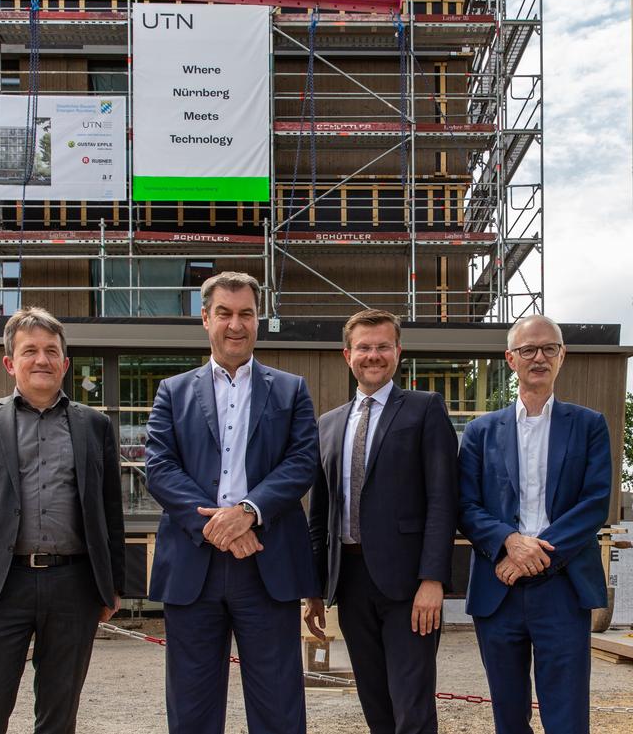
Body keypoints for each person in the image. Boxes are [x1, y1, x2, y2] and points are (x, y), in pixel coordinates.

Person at [145, 271, 319, 734]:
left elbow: (302, 462)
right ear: (205, 318)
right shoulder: (173, 391)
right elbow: (159, 468)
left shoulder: (291, 389)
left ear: (259, 320)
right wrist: (217, 527)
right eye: (225, 313)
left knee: (279, 704)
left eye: (246, 314)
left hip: (267, 563)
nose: (236, 324)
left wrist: (247, 514)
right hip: (193, 565)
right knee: (192, 705)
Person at [0, 307, 126, 734]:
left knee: (58, 716)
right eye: (30, 351)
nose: (42, 359)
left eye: (51, 351)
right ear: (10, 362)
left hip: (74, 585)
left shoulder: (95, 426)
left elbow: (110, 511)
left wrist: (113, 585)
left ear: (65, 362)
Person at [305, 308, 458, 734]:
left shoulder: (425, 409)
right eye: (364, 347)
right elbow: (320, 513)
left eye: (383, 347)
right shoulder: (329, 424)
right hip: (350, 581)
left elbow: (444, 499)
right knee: (375, 700)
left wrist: (433, 580)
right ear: (347, 354)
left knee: (412, 705)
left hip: (409, 584)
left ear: (398, 352)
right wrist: (315, 588)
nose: (374, 355)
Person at [458, 315, 611, 734]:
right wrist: (509, 542)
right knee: (508, 715)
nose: (538, 357)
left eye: (549, 348)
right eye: (528, 350)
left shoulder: (589, 425)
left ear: (563, 355)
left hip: (563, 587)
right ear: (511, 359)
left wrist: (531, 556)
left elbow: (595, 503)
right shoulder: (479, 432)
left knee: (566, 714)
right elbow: (466, 506)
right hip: (498, 588)